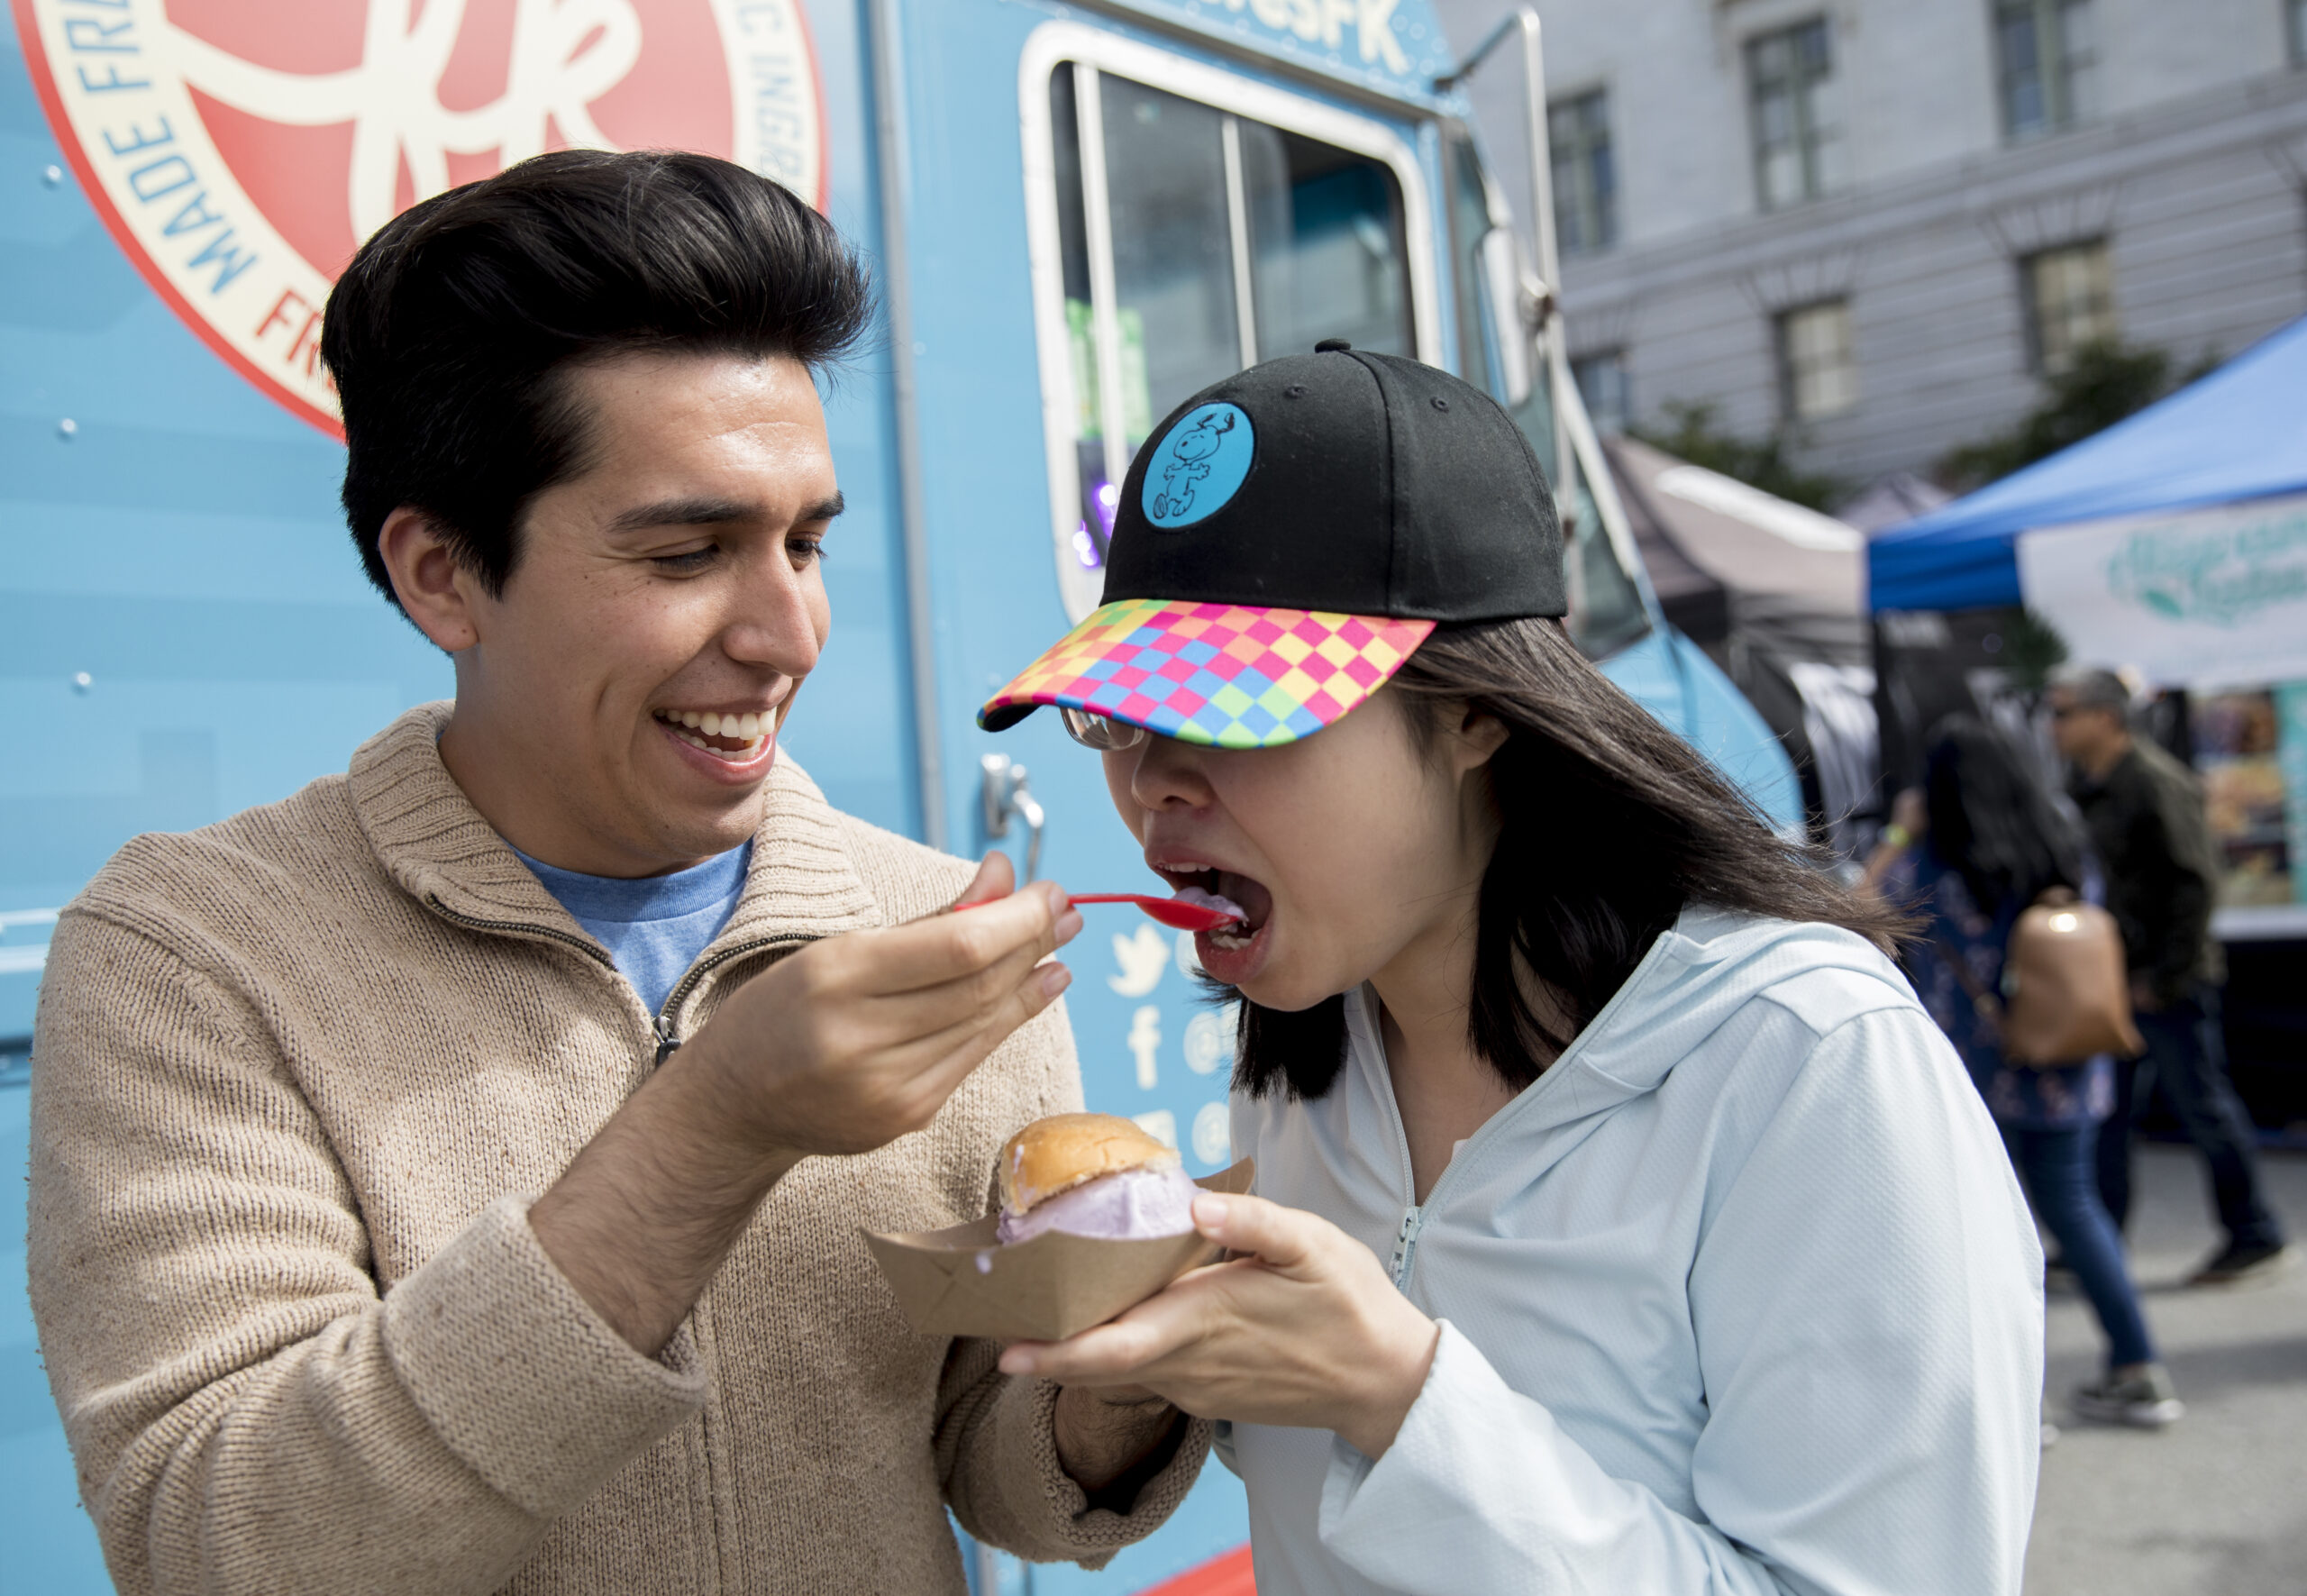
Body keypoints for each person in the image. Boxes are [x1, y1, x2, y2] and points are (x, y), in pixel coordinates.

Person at [26, 151, 1205, 1596]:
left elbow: (987, 1456)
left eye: (807, 539)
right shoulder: (193, 957)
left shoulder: (922, 919)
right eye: (689, 551)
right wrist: (711, 1128)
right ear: (440, 572)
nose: (788, 631)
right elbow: (225, 1542)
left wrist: (1129, 1377)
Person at [979, 345, 2044, 1592]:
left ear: (1478, 711)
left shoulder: (1804, 1061)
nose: (1154, 777)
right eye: (1119, 712)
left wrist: (1399, 1396)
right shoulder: (1309, 1054)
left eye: (1232, 704)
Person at [1866, 720, 2180, 1427]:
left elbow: (1860, 911)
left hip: (1972, 1071)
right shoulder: (2064, 850)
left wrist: (1897, 834)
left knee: (1988, 1231)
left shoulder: (1935, 864)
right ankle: (2140, 1368)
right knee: (2076, 1207)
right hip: (2063, 1055)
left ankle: (2018, 1405)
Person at [2047, 667, 2293, 1286]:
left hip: (2167, 982)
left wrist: (2162, 974)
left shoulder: (2153, 781)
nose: (2053, 726)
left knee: (2202, 1106)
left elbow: (2196, 884)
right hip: (2118, 978)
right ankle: (2096, 1238)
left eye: (2064, 712)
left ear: (2105, 717)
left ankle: (2253, 1230)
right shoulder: (2088, 786)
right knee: (2106, 1114)